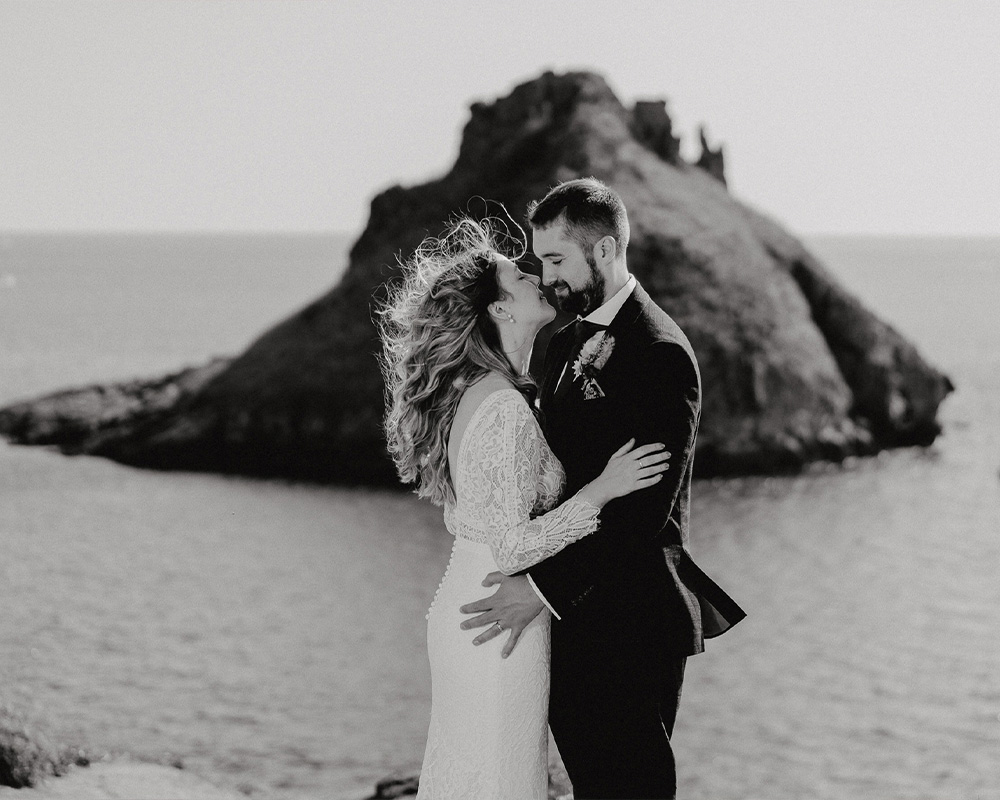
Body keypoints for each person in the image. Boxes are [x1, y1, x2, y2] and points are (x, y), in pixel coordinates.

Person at [459, 178, 746, 799]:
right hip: (573, 625)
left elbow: (644, 514)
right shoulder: (564, 343)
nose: (548, 276)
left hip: (631, 624)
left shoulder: (660, 352)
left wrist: (539, 590)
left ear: (607, 249)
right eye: (540, 261)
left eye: (558, 260)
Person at [378, 215, 674, 800]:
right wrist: (601, 489)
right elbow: (511, 544)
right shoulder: (503, 407)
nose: (536, 273)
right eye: (519, 274)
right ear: (500, 310)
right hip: (499, 616)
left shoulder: (483, 392)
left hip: (475, 602)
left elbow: (478, 520)